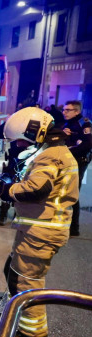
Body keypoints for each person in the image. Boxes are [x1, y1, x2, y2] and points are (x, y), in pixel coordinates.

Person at [0, 107, 78, 337]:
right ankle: (17, 317)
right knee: (13, 273)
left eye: (21, 140)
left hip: (42, 232)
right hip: (37, 230)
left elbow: (35, 189)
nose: (20, 146)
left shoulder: (50, 156)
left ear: (34, 132)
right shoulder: (50, 151)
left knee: (27, 282)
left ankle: (32, 335)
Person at [60, 100, 92, 236]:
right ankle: (64, 223)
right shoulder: (68, 123)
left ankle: (74, 228)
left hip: (79, 162)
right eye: (64, 109)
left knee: (73, 193)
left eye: (68, 110)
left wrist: (68, 152)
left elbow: (87, 144)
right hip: (67, 162)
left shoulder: (84, 123)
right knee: (63, 191)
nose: (64, 112)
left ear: (77, 111)